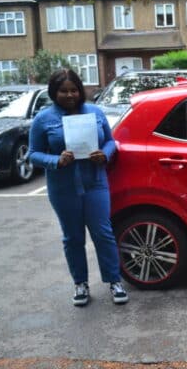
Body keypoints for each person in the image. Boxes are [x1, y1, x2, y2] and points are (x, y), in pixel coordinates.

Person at [28, 68, 128, 306]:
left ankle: (114, 280)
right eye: (63, 91)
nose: (70, 95)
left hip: (95, 183)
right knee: (73, 238)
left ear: (80, 91)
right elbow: (33, 154)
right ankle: (80, 283)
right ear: (54, 92)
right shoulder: (43, 119)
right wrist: (55, 160)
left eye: (74, 90)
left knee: (103, 234)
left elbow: (110, 141)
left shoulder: (94, 112)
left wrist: (104, 154)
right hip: (63, 188)